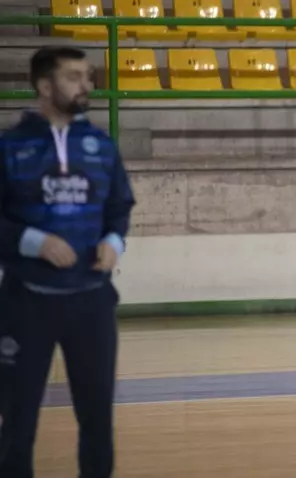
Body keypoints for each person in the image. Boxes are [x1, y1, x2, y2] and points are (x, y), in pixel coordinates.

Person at [0, 46, 136, 477]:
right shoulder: (9, 147)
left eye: (87, 76)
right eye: (74, 77)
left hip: (91, 303)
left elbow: (119, 208)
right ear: (45, 86)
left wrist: (114, 241)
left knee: (97, 420)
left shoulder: (101, 145)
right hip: (26, 304)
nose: (86, 85)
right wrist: (32, 241)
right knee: (17, 422)